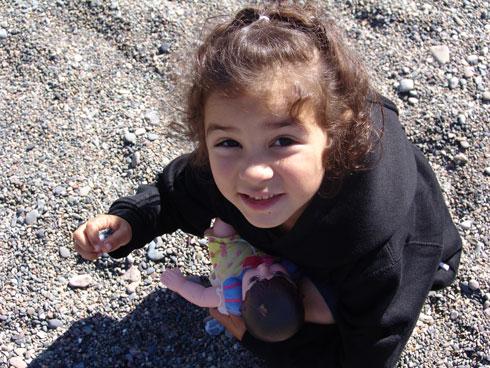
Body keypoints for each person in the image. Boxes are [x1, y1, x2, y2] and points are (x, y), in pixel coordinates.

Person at [72, 3, 462, 367]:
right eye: (228, 142)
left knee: (315, 310)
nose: (253, 172)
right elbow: (178, 192)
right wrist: (131, 220)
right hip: (306, 239)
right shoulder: (226, 173)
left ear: (333, 134)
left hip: (408, 249)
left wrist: (258, 337)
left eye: (282, 142)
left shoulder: (376, 253)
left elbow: (367, 354)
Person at [160, 218, 334, 342]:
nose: (263, 268)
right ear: (295, 288)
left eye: (255, 280)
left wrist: (180, 284)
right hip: (259, 245)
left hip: (229, 254)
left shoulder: (230, 296)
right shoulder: (287, 278)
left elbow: (202, 297)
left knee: (223, 224)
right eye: (279, 275)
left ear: (242, 303)